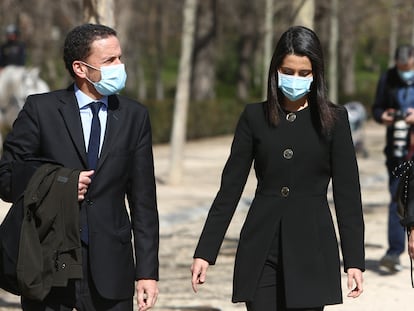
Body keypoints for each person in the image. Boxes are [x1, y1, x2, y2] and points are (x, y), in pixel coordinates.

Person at [191, 25, 365, 310]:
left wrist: (354, 261)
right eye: (288, 71)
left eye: (304, 73)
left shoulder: (335, 120)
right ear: (275, 70)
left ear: (316, 75)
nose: (294, 79)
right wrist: (205, 252)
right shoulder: (253, 117)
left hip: (312, 247)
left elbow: (348, 194)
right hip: (261, 247)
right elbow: (230, 189)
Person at [0, 23, 159, 311]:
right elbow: (6, 179)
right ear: (80, 68)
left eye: (120, 58)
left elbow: (144, 202)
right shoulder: (40, 110)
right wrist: (59, 184)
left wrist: (147, 273)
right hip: (48, 264)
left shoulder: (135, 116)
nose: (119, 66)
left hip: (112, 269)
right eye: (109, 60)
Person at [372, 44, 414, 273]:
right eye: (399, 67)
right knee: (397, 200)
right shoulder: (387, 78)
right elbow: (376, 108)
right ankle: (394, 252)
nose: (403, 71)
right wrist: (383, 116)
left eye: (406, 67)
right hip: (397, 151)